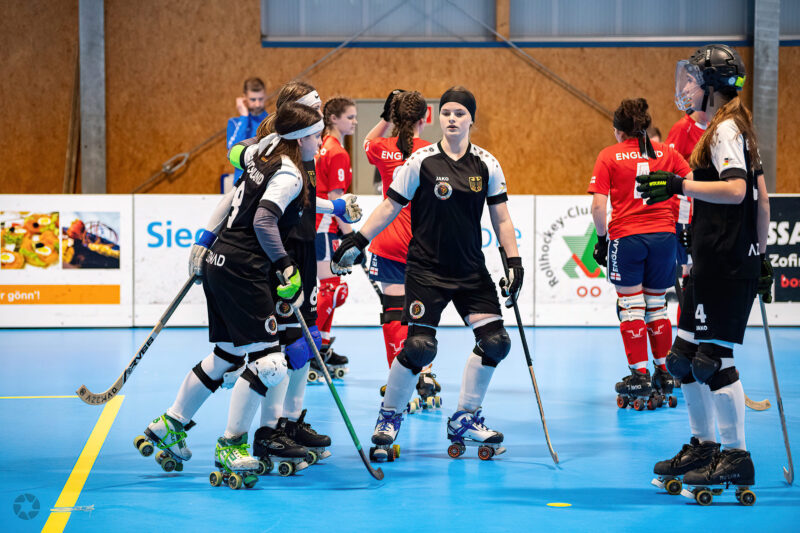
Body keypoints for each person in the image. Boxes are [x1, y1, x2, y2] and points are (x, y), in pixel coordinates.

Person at [331, 86, 524, 462]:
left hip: (470, 270)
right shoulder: (421, 161)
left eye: (460, 113)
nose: (452, 118)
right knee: (419, 347)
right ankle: (389, 417)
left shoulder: (487, 164)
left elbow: (501, 218)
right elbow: (390, 206)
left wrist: (514, 264)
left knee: (496, 342)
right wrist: (358, 239)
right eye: (447, 112)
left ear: (471, 119)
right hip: (426, 270)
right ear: (438, 118)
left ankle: (465, 418)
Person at [637, 44, 772, 501]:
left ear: (713, 87)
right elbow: (763, 200)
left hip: (727, 259)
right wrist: (763, 253)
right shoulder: (729, 127)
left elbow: (738, 190)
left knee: (713, 359)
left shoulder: (727, 130)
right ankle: (705, 446)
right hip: (713, 257)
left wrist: (679, 184)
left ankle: (736, 456)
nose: (687, 87)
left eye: (694, 80)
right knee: (683, 359)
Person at [589, 98, 692, 410]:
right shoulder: (667, 153)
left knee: (632, 307)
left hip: (628, 237)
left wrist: (602, 240)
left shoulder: (609, 155)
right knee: (657, 306)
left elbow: (598, 207)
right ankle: (664, 372)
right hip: (664, 237)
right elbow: (691, 185)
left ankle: (640, 376)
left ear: (619, 131)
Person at [363, 90, 440, 408]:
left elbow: (367, 141)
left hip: (388, 238)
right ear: (426, 118)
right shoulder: (432, 152)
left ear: (394, 117)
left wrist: (385, 118)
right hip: (421, 243)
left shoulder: (381, 148)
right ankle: (425, 374)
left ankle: (398, 379)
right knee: (422, 311)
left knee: (394, 313)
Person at [314, 97, 358, 376]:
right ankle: (312, 349)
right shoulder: (337, 152)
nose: (355, 122)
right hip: (324, 226)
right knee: (331, 289)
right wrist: (352, 238)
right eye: (350, 117)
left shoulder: (320, 147)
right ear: (333, 119)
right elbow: (335, 199)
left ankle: (323, 345)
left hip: (318, 225)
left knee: (331, 289)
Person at [227, 77, 269, 185]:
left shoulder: (271, 122)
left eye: (260, 99)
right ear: (244, 98)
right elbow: (232, 150)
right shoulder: (234, 122)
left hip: (264, 184)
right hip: (240, 184)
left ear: (265, 96)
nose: (257, 104)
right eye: (253, 100)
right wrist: (244, 116)